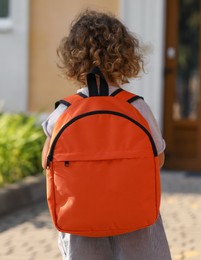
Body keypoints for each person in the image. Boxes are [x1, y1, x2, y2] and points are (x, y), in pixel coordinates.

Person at [41, 10, 171, 260]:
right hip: (135, 219)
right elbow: (159, 159)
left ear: (72, 58)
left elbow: (47, 162)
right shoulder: (136, 107)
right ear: (124, 56)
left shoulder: (63, 111)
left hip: (81, 219)